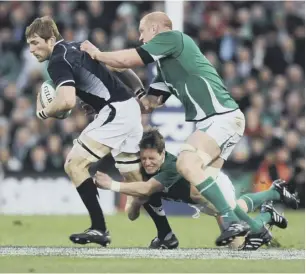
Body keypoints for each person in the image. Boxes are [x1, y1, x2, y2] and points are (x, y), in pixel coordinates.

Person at [80, 11, 298, 246]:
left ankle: (234, 221)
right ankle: (262, 220)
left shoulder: (174, 38)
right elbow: (148, 103)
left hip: (221, 117)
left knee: (186, 163)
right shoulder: (165, 67)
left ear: (156, 28)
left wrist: (97, 54)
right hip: (218, 121)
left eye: (143, 31)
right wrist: (109, 101)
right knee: (202, 194)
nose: (141, 38)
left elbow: (128, 59)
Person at [25, 16, 146, 247]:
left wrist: (42, 112)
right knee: (136, 182)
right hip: (126, 107)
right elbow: (115, 64)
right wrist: (140, 92)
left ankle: (99, 228)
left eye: (35, 43)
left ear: (51, 40)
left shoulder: (57, 61)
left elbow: (67, 102)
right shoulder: (78, 45)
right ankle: (165, 232)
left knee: (74, 164)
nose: (31, 50)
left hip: (115, 111)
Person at [94, 129, 296, 250]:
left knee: (241, 245)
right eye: (144, 158)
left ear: (162, 154)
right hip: (200, 200)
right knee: (239, 206)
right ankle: (274, 192)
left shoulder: (172, 166)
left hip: (213, 188)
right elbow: (132, 215)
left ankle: (267, 215)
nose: (147, 163)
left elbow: (147, 188)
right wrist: (137, 201)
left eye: (151, 158)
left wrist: (111, 184)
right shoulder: (144, 172)